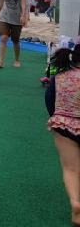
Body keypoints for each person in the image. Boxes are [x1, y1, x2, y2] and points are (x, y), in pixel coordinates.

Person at [45, 46, 80, 226]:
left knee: (70, 169)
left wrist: (57, 116)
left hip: (64, 124)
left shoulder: (59, 78)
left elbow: (49, 100)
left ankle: (75, 202)